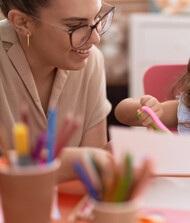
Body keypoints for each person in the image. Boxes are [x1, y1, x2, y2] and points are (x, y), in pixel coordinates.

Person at [0, 0, 114, 183]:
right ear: (22, 22)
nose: (95, 39)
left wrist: (104, 160)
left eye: (97, 17)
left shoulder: (91, 60)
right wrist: (66, 164)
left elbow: (90, 180)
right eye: (75, 26)